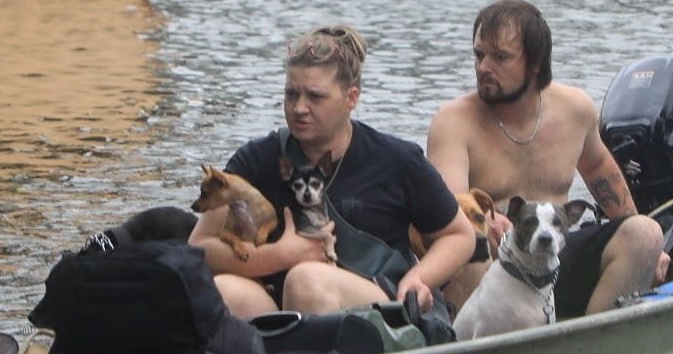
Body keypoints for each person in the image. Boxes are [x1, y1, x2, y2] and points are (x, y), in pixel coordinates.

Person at [190, 24, 474, 320]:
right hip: (280, 305)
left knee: (307, 281)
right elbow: (200, 247)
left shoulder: (397, 159)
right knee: (223, 291)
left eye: (315, 97)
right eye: (291, 94)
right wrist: (277, 256)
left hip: (377, 301)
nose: (299, 108)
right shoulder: (255, 160)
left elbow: (458, 235)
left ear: (351, 98)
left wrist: (418, 278)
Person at [426, 0, 666, 317]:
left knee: (645, 232)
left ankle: (593, 349)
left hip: (557, 260)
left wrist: (652, 252)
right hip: (496, 274)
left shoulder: (575, 108)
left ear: (535, 62)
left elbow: (599, 171)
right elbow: (450, 203)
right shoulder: (453, 121)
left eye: (500, 57)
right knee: (470, 247)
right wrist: (486, 222)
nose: (484, 67)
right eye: (479, 55)